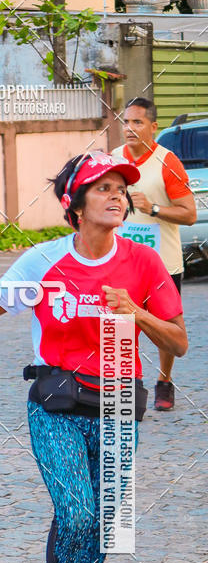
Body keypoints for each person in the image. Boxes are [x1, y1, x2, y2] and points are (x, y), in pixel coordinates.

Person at [0, 151, 187, 563]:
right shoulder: (44, 260)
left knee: (107, 524)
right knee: (76, 511)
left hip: (117, 400)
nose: (117, 196)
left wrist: (137, 313)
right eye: (102, 188)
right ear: (75, 204)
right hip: (56, 401)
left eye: (120, 188)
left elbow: (179, 341)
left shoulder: (144, 262)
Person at [113, 97, 196, 410]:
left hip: (163, 262)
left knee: (166, 326)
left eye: (138, 122)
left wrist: (155, 208)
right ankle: (130, 384)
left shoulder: (167, 161)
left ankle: (164, 379)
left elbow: (189, 214)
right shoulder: (113, 159)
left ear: (153, 127)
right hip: (123, 260)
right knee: (123, 322)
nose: (130, 128)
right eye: (126, 122)